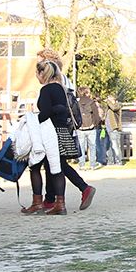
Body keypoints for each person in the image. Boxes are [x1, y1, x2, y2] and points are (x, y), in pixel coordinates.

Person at [23, 58, 94, 215]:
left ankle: (82, 189)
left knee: (55, 165)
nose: (36, 77)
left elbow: (46, 113)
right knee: (53, 165)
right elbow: (60, 109)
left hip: (50, 132)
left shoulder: (46, 90)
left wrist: (33, 119)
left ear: (42, 73)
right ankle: (51, 199)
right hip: (63, 130)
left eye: (37, 74)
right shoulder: (61, 88)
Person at [76, 85, 101, 166]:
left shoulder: (77, 103)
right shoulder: (91, 102)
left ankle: (82, 164)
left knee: (81, 147)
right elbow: (96, 115)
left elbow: (74, 114)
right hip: (91, 127)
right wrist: (95, 124)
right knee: (92, 147)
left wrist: (77, 125)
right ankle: (92, 164)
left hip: (80, 128)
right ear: (87, 92)